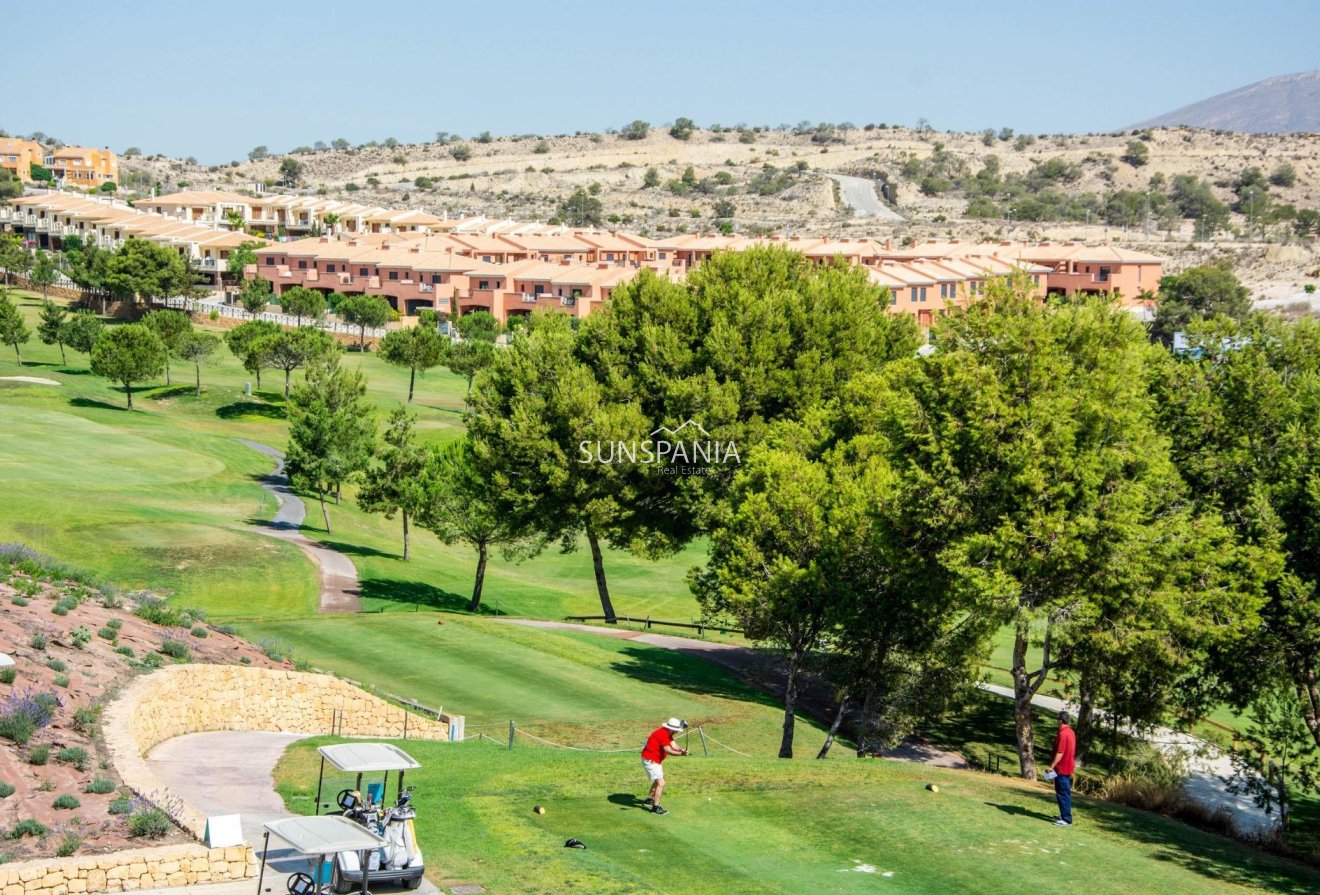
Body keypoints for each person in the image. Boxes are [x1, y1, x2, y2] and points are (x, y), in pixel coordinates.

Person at [640, 717, 688, 815]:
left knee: (658, 780)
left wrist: (681, 750)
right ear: (672, 729)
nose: (677, 732)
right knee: (661, 783)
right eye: (676, 730)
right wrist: (681, 754)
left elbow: (673, 746)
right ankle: (655, 807)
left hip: (654, 760)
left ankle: (649, 800)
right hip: (651, 760)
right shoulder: (663, 734)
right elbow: (668, 750)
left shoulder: (667, 733)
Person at [1046, 710, 1076, 826]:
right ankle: (1063, 814)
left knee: (1063, 793)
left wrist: (1051, 766)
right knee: (1063, 792)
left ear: (1060, 721)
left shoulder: (1062, 734)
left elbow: (1060, 752)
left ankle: (1066, 819)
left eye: (1057, 719)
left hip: (1062, 768)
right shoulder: (1071, 732)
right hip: (1068, 767)